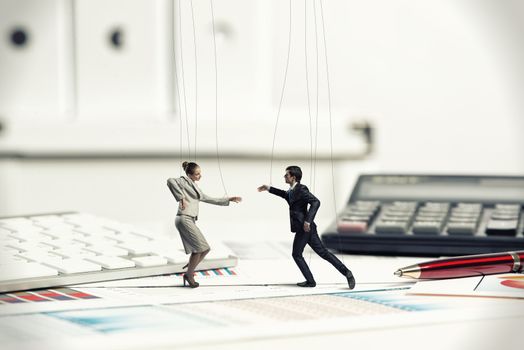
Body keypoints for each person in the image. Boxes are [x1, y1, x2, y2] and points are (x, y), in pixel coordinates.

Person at [258, 165, 355, 289]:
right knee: (323, 253)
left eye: (286, 175)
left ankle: (312, 281)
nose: (284, 177)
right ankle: (346, 273)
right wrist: (269, 188)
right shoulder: (292, 190)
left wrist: (308, 221)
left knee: (297, 254)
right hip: (303, 229)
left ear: (293, 177)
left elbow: (316, 202)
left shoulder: (301, 189)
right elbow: (284, 194)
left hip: (305, 228)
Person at [167, 161, 242, 288]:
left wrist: (228, 199)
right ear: (189, 174)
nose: (199, 176)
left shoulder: (195, 187)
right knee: (200, 248)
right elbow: (170, 181)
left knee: (205, 248)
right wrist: (181, 197)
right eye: (197, 174)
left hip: (189, 219)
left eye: (200, 173)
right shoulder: (183, 181)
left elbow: (209, 198)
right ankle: (189, 275)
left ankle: (190, 269)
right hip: (184, 218)